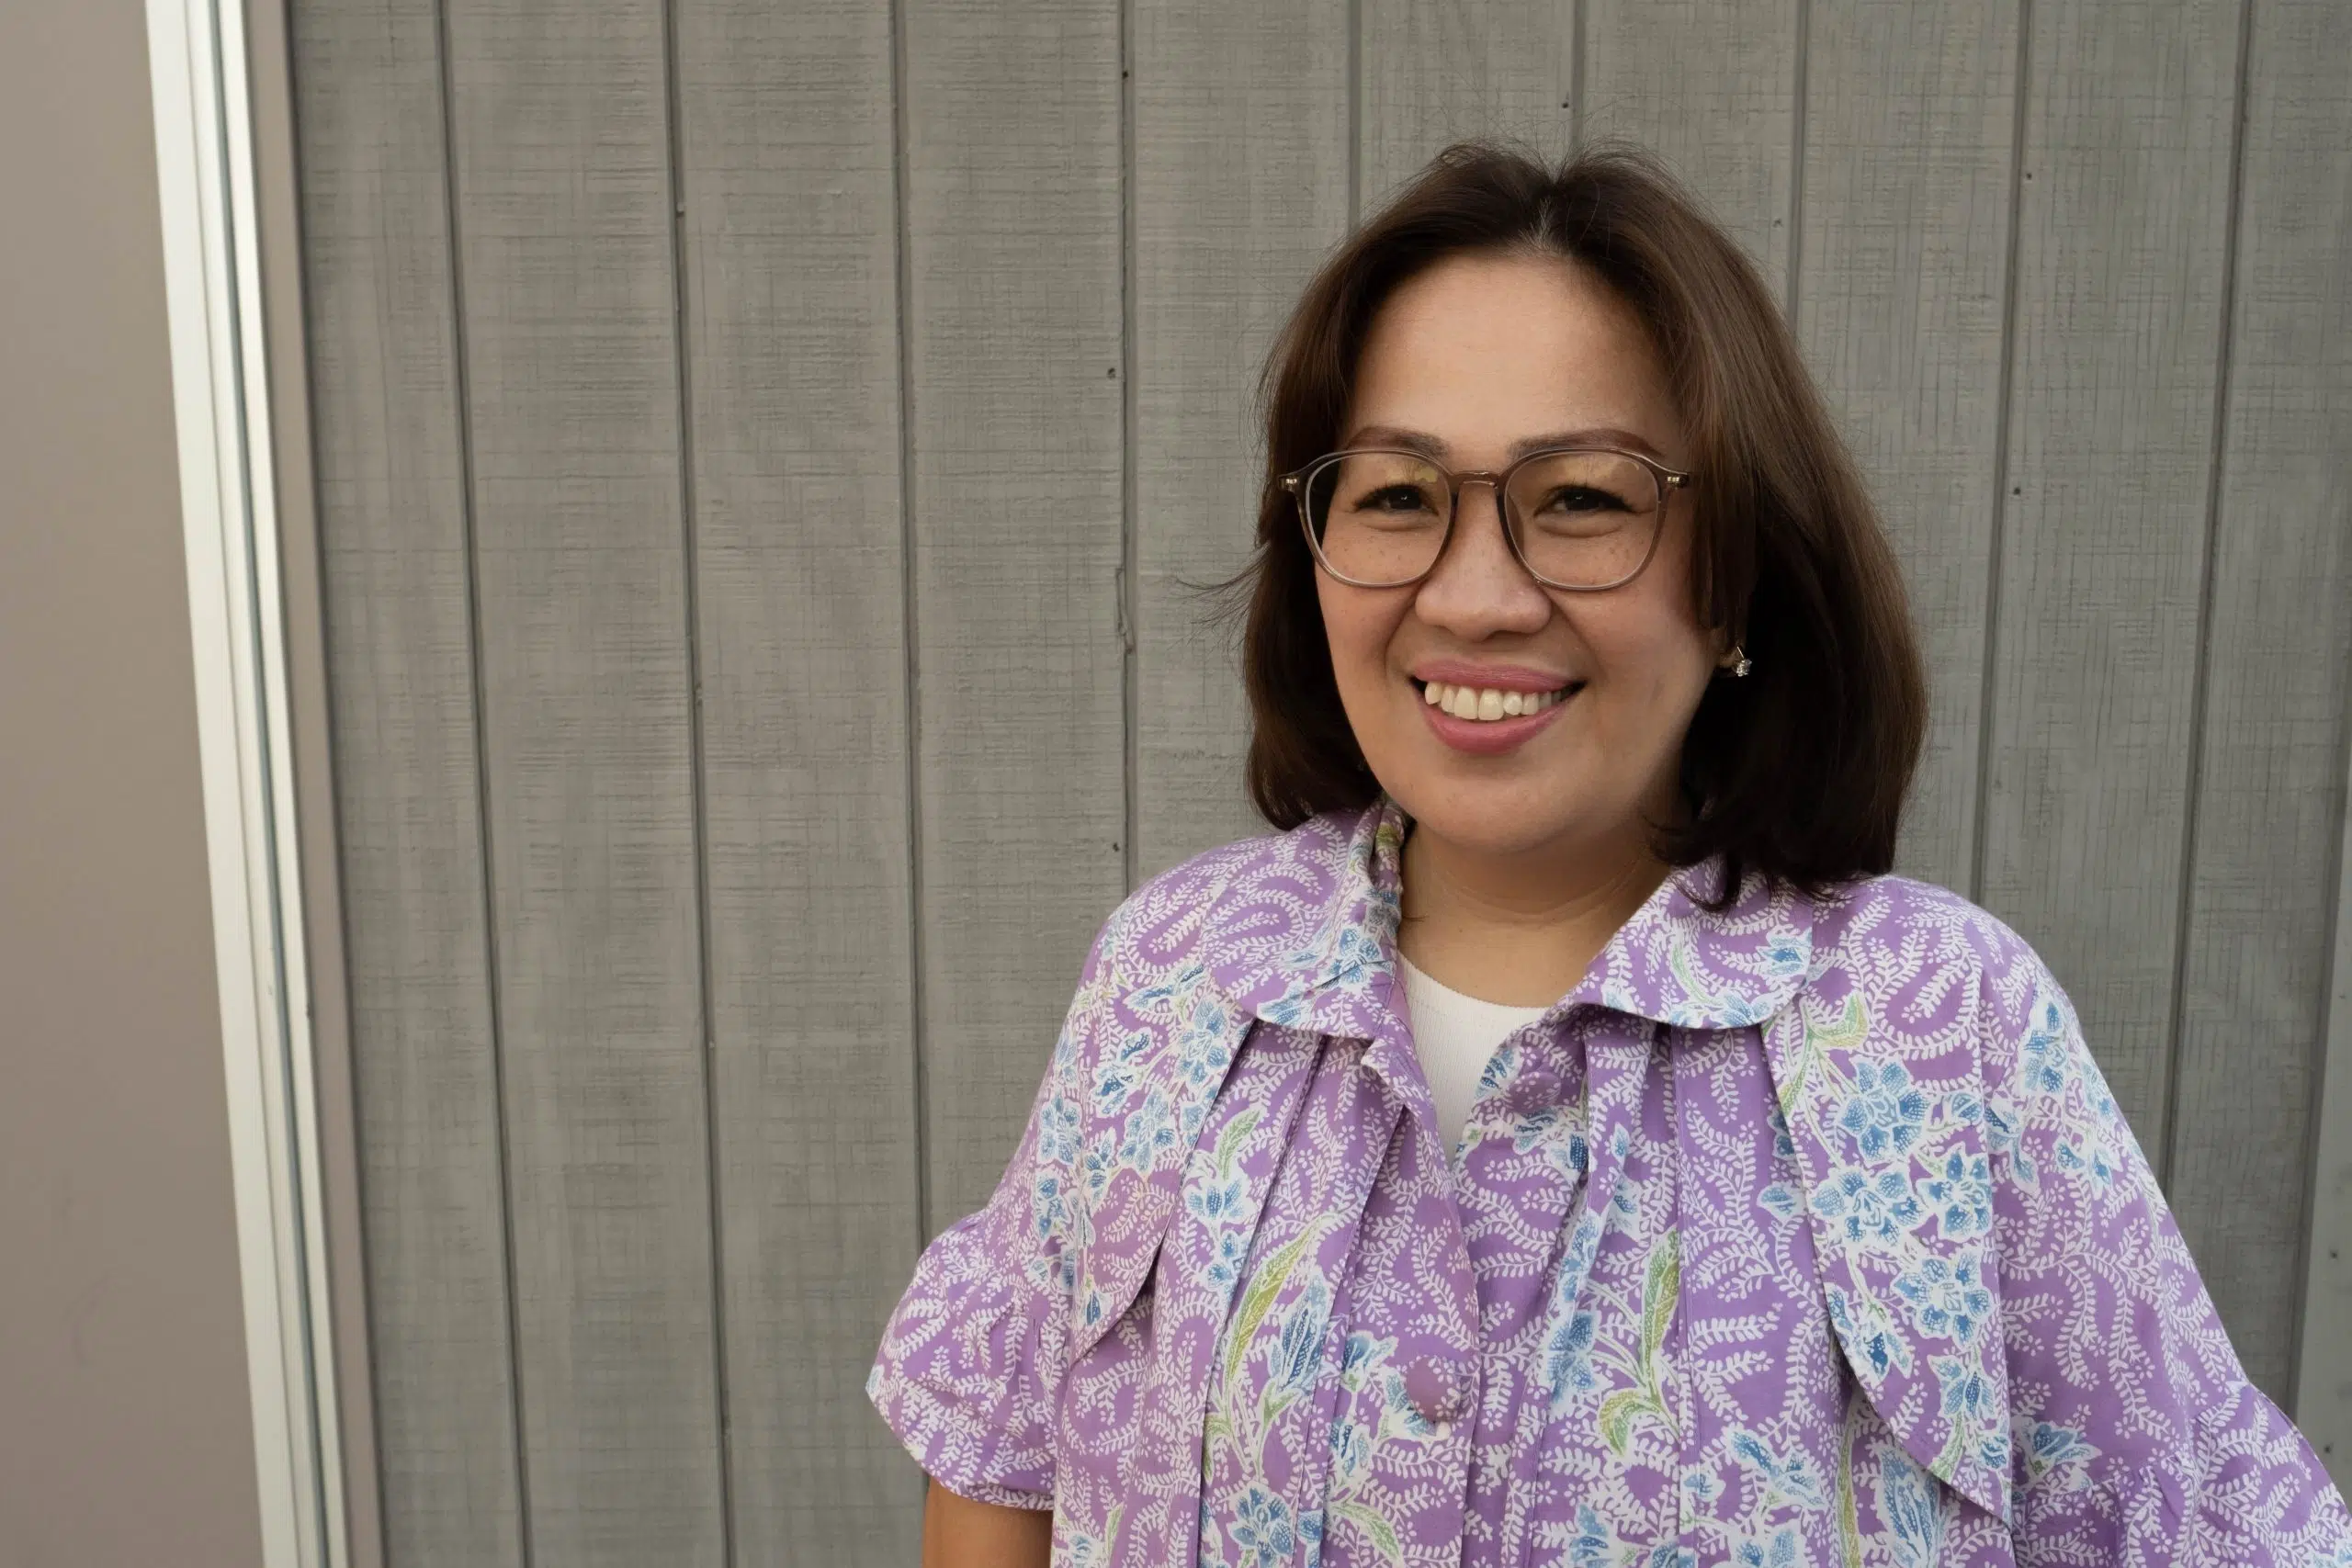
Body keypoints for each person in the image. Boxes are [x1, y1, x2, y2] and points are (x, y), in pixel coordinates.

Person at [865, 141, 2352, 1567]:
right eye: (1397, 495)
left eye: (1582, 498)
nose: (1476, 597)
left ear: (1737, 577)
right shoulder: (1174, 976)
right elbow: (1000, 1449)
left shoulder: (1946, 1025)